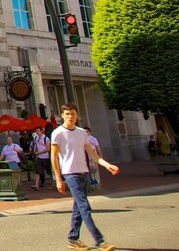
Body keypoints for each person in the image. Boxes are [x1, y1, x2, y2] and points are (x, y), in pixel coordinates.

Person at [50, 103, 120, 251]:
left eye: (72, 114)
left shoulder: (82, 132)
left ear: (77, 115)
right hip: (70, 174)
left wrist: (107, 165)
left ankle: (73, 238)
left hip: (84, 173)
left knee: (78, 207)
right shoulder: (57, 133)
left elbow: (92, 154)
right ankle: (100, 241)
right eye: (67, 114)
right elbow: (53, 157)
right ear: (62, 115)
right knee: (84, 206)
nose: (70, 117)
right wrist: (58, 178)